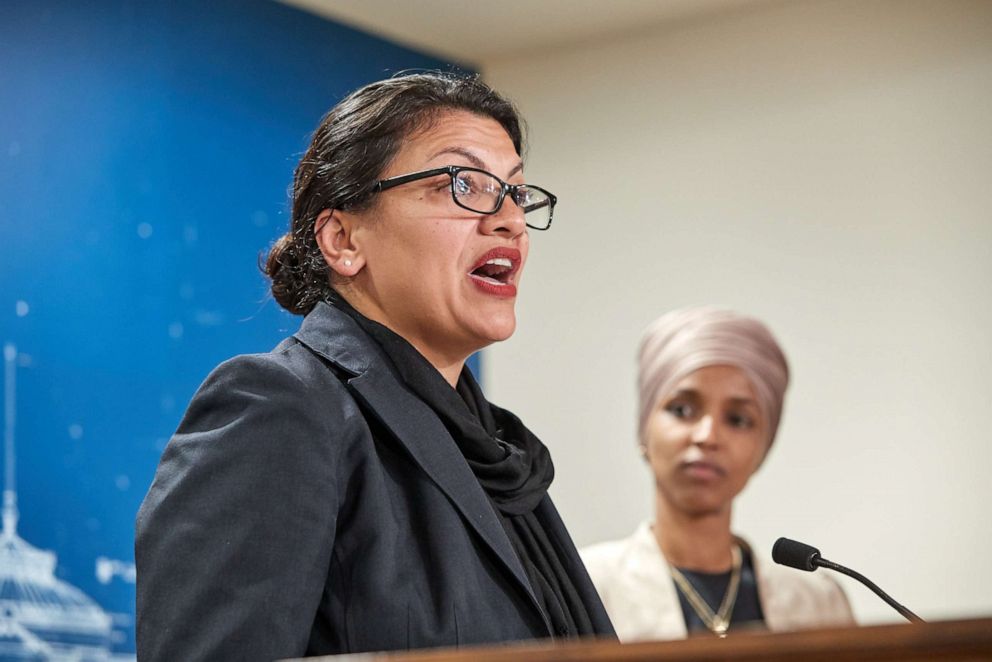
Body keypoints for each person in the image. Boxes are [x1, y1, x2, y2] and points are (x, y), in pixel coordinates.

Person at [135, 72, 614, 661]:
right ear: (343, 240)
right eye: (463, 183)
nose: (509, 219)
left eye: (515, 192)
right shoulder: (278, 407)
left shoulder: (496, 453)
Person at [580, 306, 854, 641]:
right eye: (682, 410)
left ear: (762, 449)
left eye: (738, 419)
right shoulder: (584, 584)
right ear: (643, 431)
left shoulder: (819, 603)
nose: (708, 436)